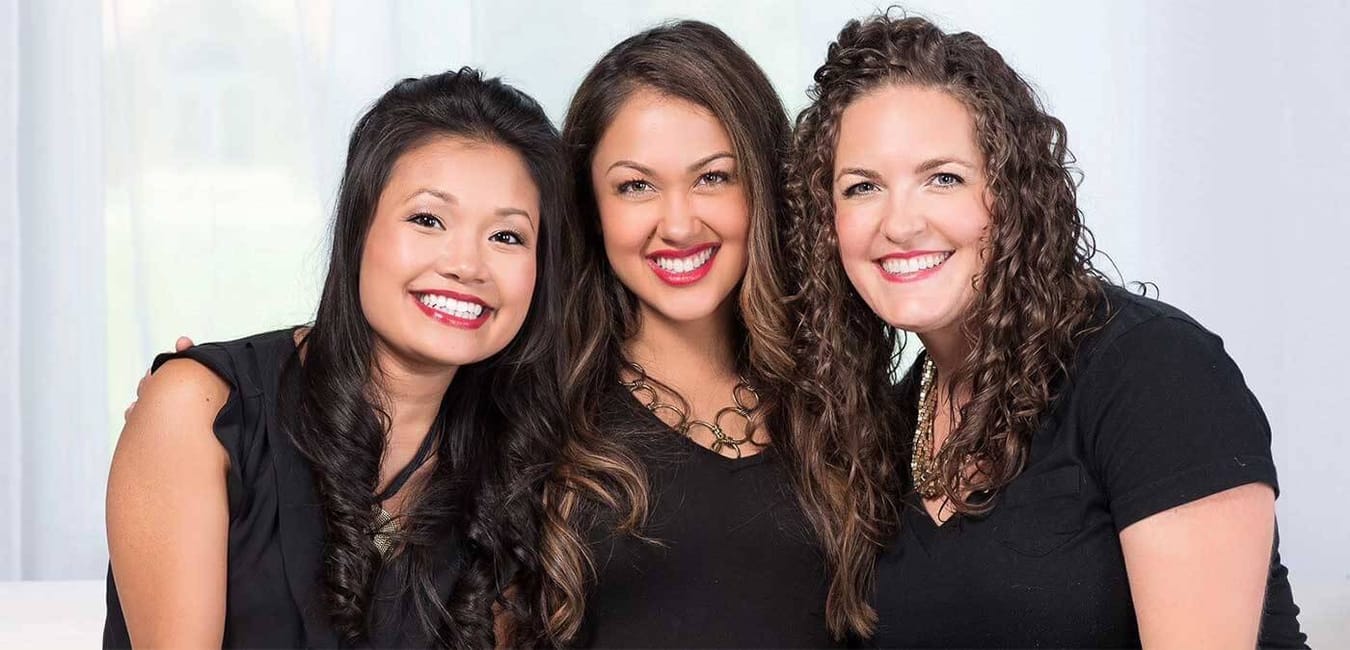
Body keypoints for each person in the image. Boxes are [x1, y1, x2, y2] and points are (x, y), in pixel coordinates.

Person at [785, 12, 1306, 648]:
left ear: (1012, 195)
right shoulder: (889, 423)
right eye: (862, 187)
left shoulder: (1153, 374)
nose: (899, 224)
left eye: (943, 178)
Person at [104, 68, 570, 648]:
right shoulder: (199, 411)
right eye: (428, 220)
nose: (468, 265)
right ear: (358, 228)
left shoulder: (517, 458)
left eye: (507, 237)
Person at [530, 21, 847, 648]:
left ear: (764, 186)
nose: (678, 224)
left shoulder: (840, 398)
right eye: (635, 186)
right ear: (590, 209)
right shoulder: (540, 410)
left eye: (713, 177)